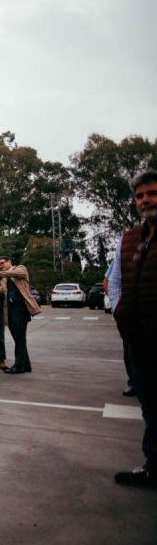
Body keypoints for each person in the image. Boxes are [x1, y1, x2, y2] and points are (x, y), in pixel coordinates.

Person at [111, 169, 157, 487]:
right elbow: (115, 279)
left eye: (152, 193)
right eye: (140, 196)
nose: (145, 200)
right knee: (150, 402)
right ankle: (153, 464)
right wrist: (119, 310)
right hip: (138, 336)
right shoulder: (129, 238)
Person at [0, 255, 39, 374]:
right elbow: (3, 292)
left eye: (2, 263)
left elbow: (17, 274)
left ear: (10, 261)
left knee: (19, 339)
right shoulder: (4, 278)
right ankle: (25, 365)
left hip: (21, 310)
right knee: (19, 339)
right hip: (10, 311)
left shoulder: (21, 269)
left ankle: (19, 366)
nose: (1, 266)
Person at [106, 251, 136, 397]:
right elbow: (111, 280)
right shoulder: (125, 245)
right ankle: (134, 382)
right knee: (131, 352)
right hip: (132, 314)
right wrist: (118, 310)